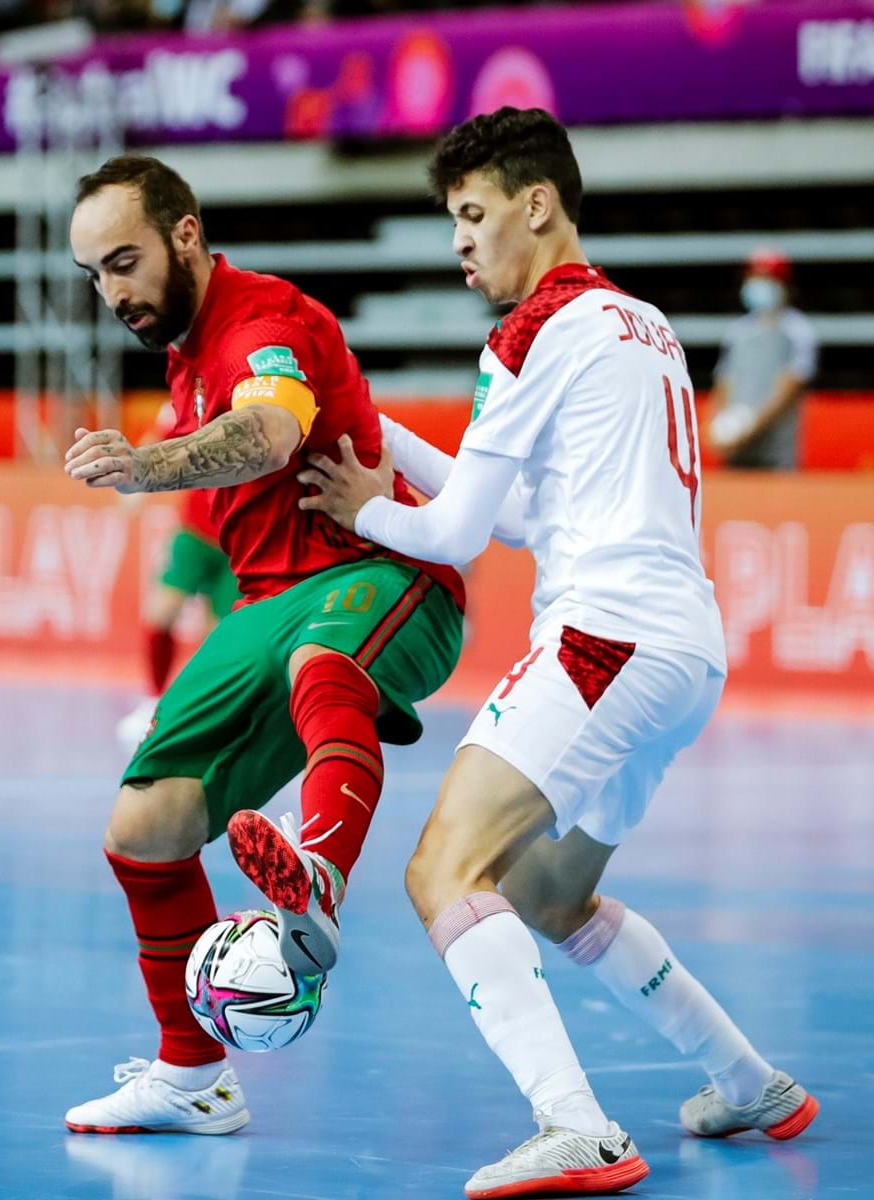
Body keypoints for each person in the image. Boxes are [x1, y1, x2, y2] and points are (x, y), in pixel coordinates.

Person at [300, 108, 818, 1199]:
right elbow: (534, 512)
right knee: (549, 895)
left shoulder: (529, 334)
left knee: (444, 868)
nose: (460, 241)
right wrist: (393, 443)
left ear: (538, 206)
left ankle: (575, 1125)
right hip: (684, 656)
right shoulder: (644, 325)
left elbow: (457, 537)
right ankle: (752, 1082)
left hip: (601, 642)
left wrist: (365, 504)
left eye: (473, 214)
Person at [61, 155, 466, 1135]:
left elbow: (273, 432)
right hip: (261, 604)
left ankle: (316, 878)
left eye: (126, 262)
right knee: (143, 826)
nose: (115, 292)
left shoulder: (262, 321)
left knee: (319, 668)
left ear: (185, 235)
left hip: (385, 577)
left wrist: (147, 465)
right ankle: (194, 1076)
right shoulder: (188, 347)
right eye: (97, 275)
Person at [116, 410, 240, 747]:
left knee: (218, 637)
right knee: (159, 613)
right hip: (195, 531)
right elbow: (157, 438)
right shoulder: (193, 390)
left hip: (240, 540)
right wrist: (134, 481)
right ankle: (152, 701)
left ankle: (208, 716)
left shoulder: (255, 390)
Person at [708, 247, 817, 469]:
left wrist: (749, 428)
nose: (759, 284)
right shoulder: (737, 331)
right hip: (736, 448)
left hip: (776, 451)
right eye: (755, 277)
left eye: (767, 278)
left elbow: (791, 386)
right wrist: (717, 426)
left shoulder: (797, 329)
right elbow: (724, 382)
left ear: (783, 284)